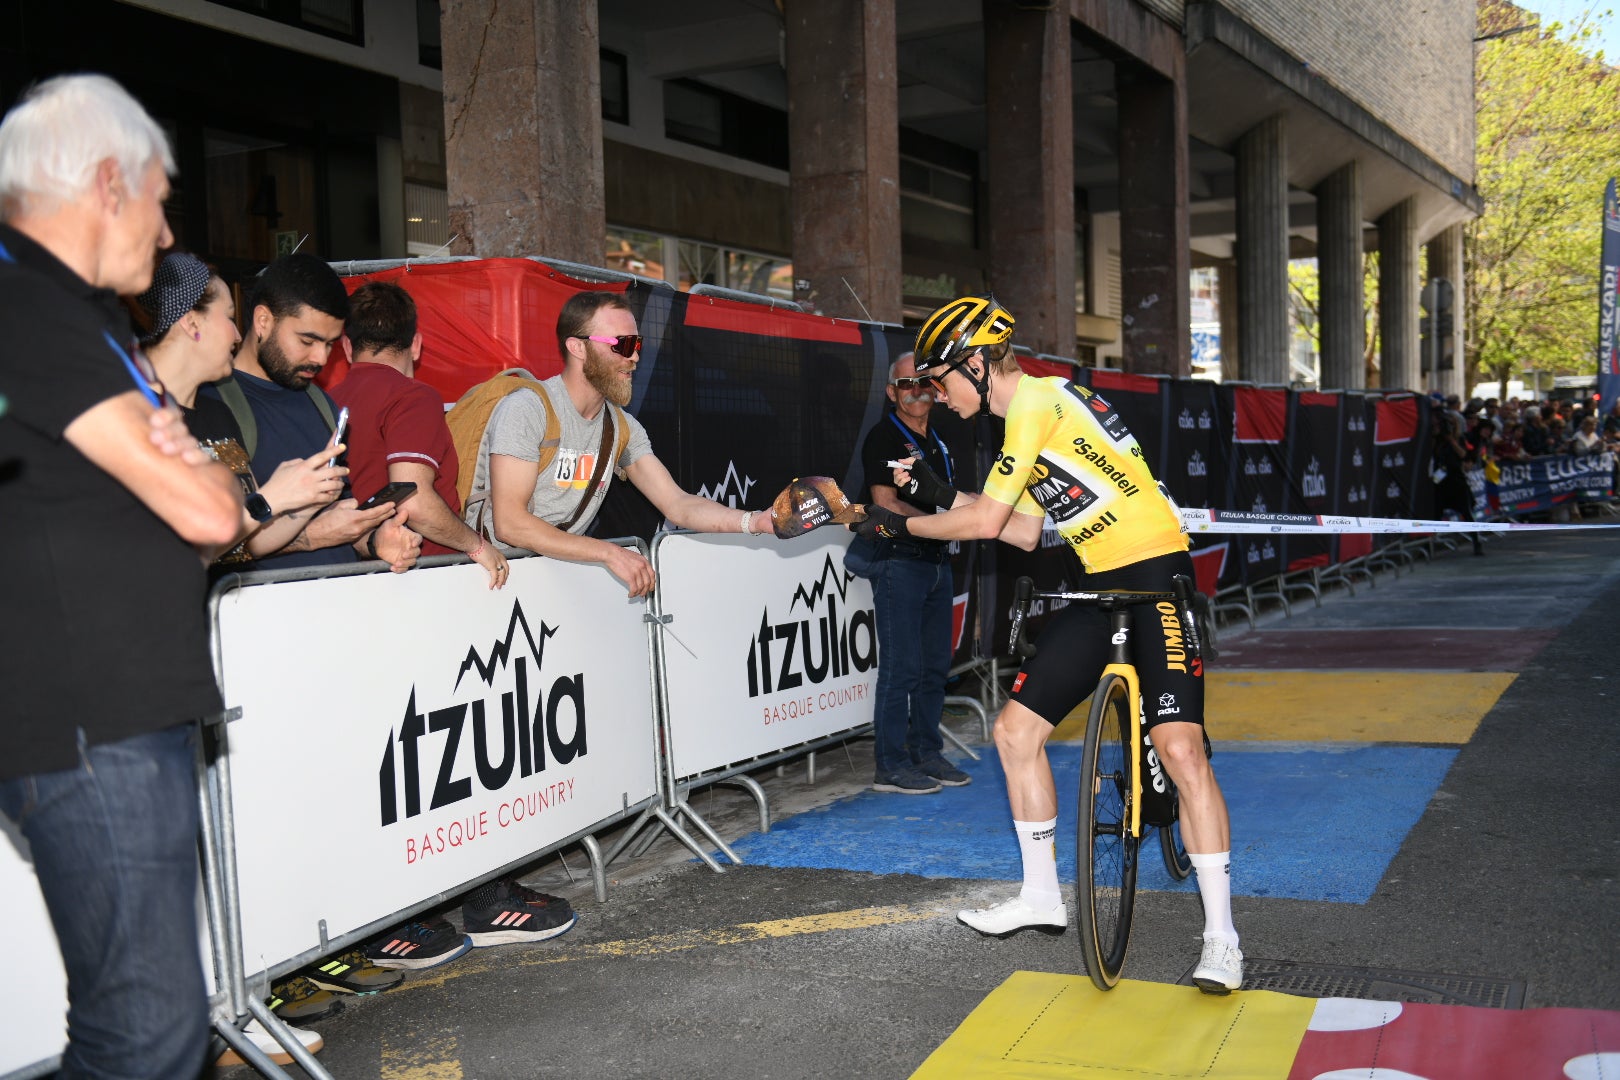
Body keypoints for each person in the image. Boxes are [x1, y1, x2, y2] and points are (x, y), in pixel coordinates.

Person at [851, 295, 1245, 993]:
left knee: (1180, 748)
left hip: (1156, 581)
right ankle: (1040, 896)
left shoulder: (1036, 403)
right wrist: (934, 495)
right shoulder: (1030, 420)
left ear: (977, 364)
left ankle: (1222, 939)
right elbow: (1022, 533)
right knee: (1014, 731)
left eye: (941, 381)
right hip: (1097, 586)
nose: (937, 398)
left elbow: (987, 524)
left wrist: (895, 527)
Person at [0, 73, 246, 1078]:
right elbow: (209, 510)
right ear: (110, 181)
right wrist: (192, 470)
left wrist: (193, 474)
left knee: (146, 1028)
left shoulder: (68, 311)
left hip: (100, 711)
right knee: (144, 1034)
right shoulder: (32, 305)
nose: (166, 226)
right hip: (87, 718)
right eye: (161, 196)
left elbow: (206, 516)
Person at [468, 290, 779, 598]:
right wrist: (609, 553)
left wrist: (755, 521)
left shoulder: (620, 427)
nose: (634, 357)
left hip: (556, 581)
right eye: (623, 344)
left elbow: (678, 505)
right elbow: (510, 524)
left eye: (637, 344)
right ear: (578, 347)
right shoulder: (528, 409)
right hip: (489, 582)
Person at [197, 253, 420, 573]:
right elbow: (214, 545)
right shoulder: (212, 403)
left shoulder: (321, 403)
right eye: (307, 340)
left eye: (330, 344)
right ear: (263, 321)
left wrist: (373, 540)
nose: (320, 358)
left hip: (338, 608)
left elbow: (339, 519)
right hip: (264, 615)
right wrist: (314, 536)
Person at [134, 251, 346, 562]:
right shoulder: (129, 413)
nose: (237, 335)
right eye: (229, 317)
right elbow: (163, 548)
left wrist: (307, 496)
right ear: (192, 323)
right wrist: (272, 498)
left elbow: (244, 545)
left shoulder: (217, 415)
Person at [844, 351, 969, 795]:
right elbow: (885, 504)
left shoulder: (938, 438)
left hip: (936, 561)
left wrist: (960, 519)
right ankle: (891, 765)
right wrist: (948, 521)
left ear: (935, 389)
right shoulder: (884, 436)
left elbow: (948, 500)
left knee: (936, 665)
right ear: (891, 392)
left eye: (923, 384)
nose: (915, 392)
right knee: (902, 667)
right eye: (905, 385)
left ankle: (926, 751)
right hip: (899, 562)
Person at [332, 281, 507, 588]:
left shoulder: (323, 402)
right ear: (416, 344)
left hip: (352, 573)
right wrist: (478, 546)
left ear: (347, 346)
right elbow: (414, 500)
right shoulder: (413, 397)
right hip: (422, 578)